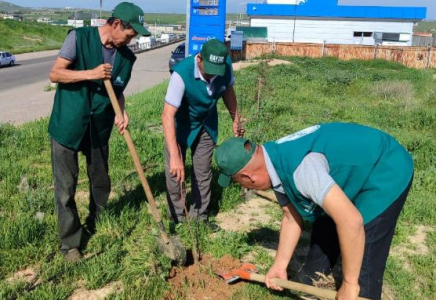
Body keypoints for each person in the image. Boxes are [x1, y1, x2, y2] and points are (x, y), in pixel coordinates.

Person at [215, 122, 414, 300]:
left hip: (385, 167)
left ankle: (362, 292)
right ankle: (313, 274)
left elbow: (351, 221)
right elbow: (291, 217)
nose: (247, 188)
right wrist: (279, 265)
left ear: (248, 177)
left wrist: (350, 284)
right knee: (324, 214)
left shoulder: (301, 170)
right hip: (353, 166)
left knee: (366, 245)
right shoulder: (272, 160)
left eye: (239, 183)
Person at [48, 2, 150, 262]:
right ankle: (70, 244)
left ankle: (98, 223)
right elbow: (56, 74)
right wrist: (90, 74)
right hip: (68, 124)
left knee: (101, 181)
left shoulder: (126, 57)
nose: (131, 39)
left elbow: (117, 90)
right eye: (129, 34)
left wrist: (122, 111)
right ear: (116, 24)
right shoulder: (78, 38)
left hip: (100, 126)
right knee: (66, 188)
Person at [162, 39, 244, 227]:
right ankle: (178, 217)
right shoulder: (181, 74)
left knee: (203, 171)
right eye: (208, 70)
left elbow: (228, 91)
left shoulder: (225, 67)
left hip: (206, 123)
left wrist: (235, 118)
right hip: (180, 124)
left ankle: (200, 216)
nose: (211, 76)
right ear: (199, 58)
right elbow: (167, 115)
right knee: (175, 172)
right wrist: (175, 156)